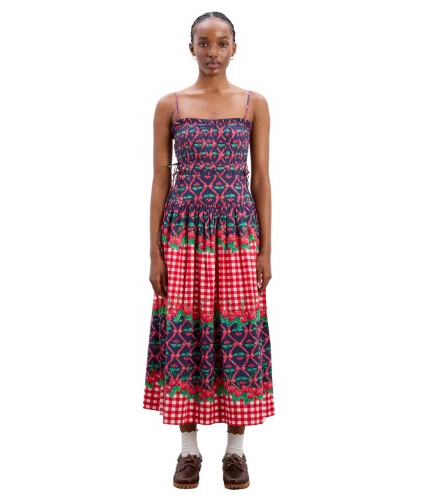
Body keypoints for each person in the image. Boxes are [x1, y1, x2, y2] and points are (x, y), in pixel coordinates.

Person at [143, 11, 275, 489]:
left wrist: (266, 250)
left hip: (238, 234)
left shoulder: (253, 104)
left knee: (239, 334)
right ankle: (188, 449)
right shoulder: (171, 105)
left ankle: (236, 452)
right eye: (204, 43)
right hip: (182, 235)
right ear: (191, 48)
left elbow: (261, 179)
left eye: (221, 43)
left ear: (234, 48)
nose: (212, 52)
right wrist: (155, 252)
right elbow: (160, 180)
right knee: (185, 331)